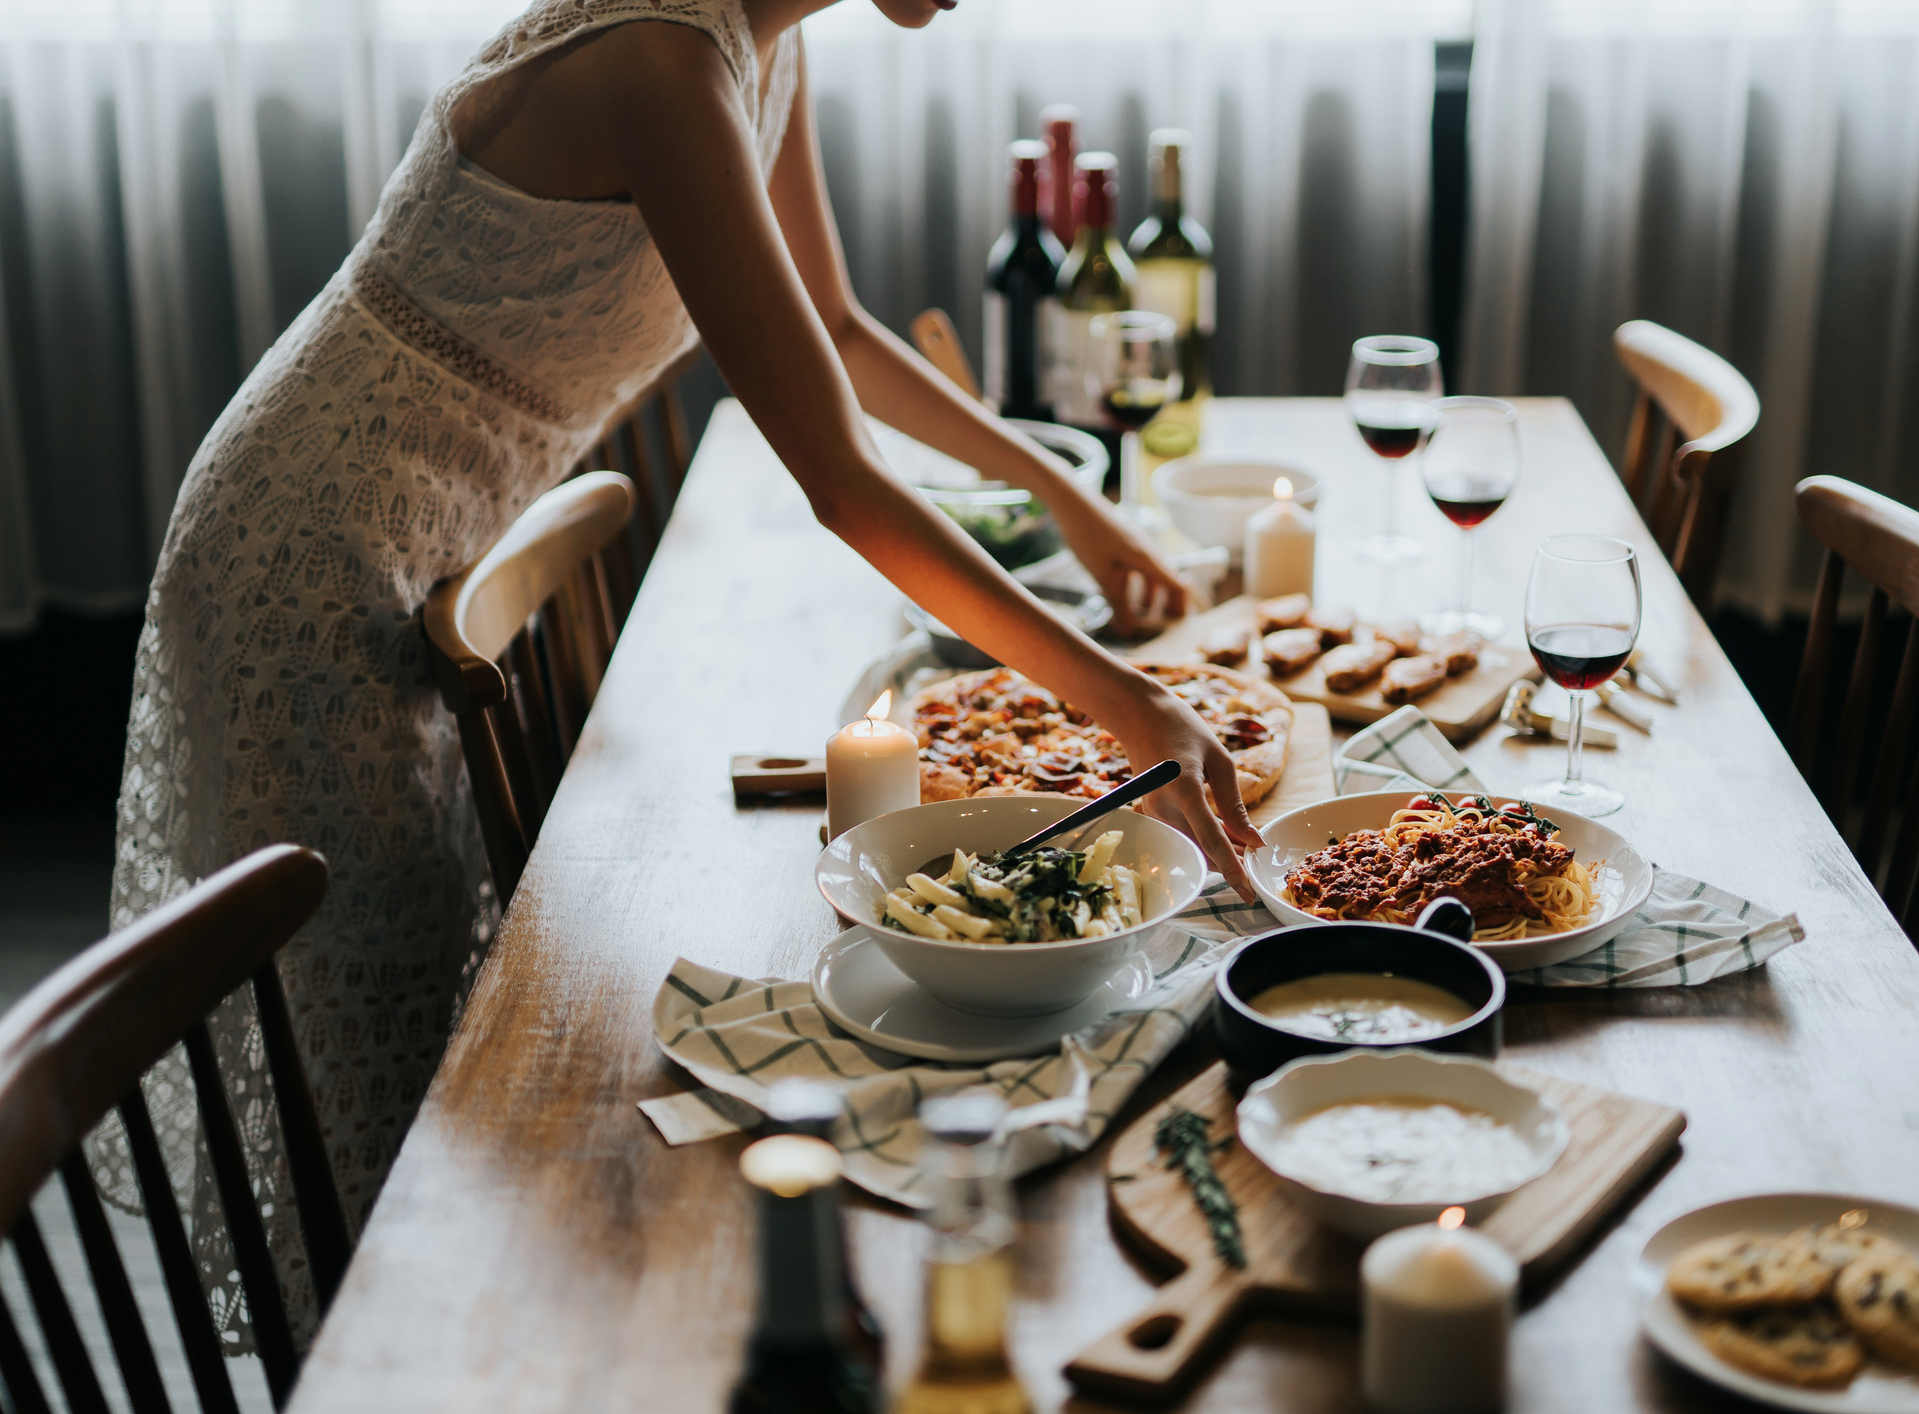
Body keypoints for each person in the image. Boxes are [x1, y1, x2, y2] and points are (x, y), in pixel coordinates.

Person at [106, 0, 1261, 1343]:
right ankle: (387, 1354)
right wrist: (1133, 706)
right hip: (310, 546)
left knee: (435, 1021)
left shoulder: (767, 45)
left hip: (430, 537)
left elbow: (829, 325)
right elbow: (839, 481)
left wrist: (1061, 489)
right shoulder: (660, 58)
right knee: (380, 1034)